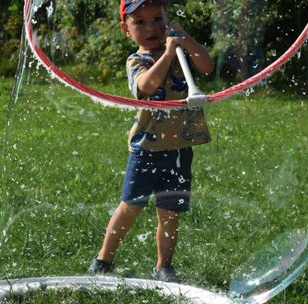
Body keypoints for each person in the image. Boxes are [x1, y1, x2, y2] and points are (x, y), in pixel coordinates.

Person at [87, 0, 214, 282]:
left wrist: (186, 40)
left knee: (169, 211)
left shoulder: (182, 52)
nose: (151, 27)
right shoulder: (137, 61)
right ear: (126, 29)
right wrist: (168, 54)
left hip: (180, 147)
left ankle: (164, 266)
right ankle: (104, 259)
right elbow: (146, 86)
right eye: (140, 22)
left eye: (157, 19)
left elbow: (206, 67)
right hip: (146, 148)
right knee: (131, 205)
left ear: (168, 20)